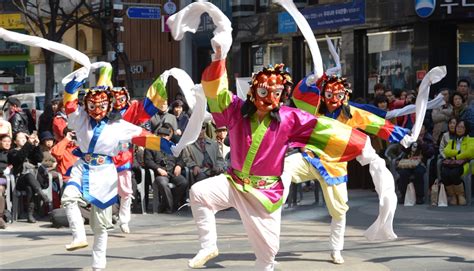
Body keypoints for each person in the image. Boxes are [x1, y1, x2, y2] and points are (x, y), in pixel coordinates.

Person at [286, 72, 410, 264]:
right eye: (329, 95)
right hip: (311, 158)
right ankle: (268, 213)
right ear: (323, 94)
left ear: (345, 96)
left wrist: (402, 135)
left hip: (335, 168)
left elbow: (375, 123)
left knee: (339, 211)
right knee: (282, 169)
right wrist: (311, 79)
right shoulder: (315, 107)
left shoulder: (351, 113)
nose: (333, 100)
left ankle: (336, 249)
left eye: (338, 96)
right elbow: (298, 95)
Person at [60, 66, 173, 271]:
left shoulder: (119, 125)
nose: (96, 109)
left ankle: (98, 264)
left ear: (109, 105)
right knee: (68, 197)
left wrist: (170, 147)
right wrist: (76, 81)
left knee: (101, 225)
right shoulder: (80, 118)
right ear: (87, 104)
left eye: (101, 105)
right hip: (83, 166)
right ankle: (78, 236)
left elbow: (145, 137)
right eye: (92, 105)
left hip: (105, 173)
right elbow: (69, 102)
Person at [109, 74, 168, 234]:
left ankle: (124, 219)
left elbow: (144, 109)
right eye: (114, 98)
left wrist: (160, 84)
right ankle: (107, 218)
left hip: (123, 157)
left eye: (121, 98)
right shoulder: (103, 114)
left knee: (126, 190)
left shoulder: (131, 111)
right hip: (105, 157)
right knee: (105, 190)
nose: (117, 101)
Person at [144, 124, 188, 213]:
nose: (163, 138)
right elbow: (148, 161)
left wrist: (179, 165)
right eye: (161, 136)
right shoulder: (150, 146)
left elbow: (182, 159)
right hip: (160, 173)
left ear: (169, 137)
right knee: (163, 184)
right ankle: (170, 208)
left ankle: (167, 205)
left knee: (183, 182)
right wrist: (158, 168)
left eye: (165, 136)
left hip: (173, 172)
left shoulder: (173, 146)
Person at [8, 132, 49, 223]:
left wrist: (37, 146)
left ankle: (30, 215)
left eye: (24, 138)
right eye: (20, 138)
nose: (23, 139)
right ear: (15, 141)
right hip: (19, 180)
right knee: (28, 176)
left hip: (33, 181)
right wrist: (28, 144)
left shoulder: (30, 149)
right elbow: (19, 158)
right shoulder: (12, 152)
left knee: (30, 187)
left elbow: (39, 159)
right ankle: (41, 194)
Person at [440, 120, 474, 205]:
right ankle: (453, 196)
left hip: (465, 164)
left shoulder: (470, 139)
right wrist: (458, 153)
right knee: (444, 173)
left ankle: (460, 195)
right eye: (458, 127)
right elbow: (446, 151)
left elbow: (470, 152)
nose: (459, 129)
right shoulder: (452, 140)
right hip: (453, 163)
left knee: (454, 173)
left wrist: (456, 156)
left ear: (466, 129)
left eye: (462, 127)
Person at [0, 134, 11, 229]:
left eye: (9, 141)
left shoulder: (12, 153)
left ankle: (0, 217)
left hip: (4, 177)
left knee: (0, 190)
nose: (7, 143)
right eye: (4, 141)